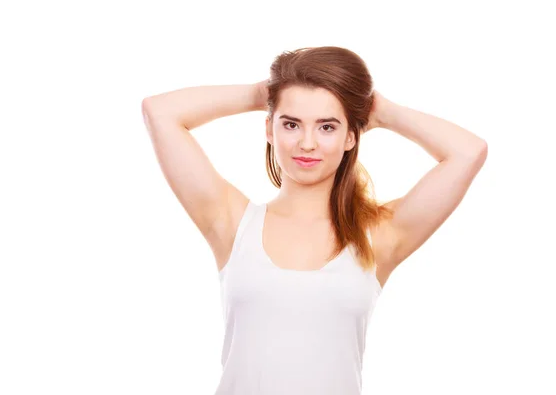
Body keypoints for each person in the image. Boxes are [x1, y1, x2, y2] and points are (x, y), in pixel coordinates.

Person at [141, 46, 487, 395]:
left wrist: (383, 113)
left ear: (351, 136)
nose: (307, 143)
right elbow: (159, 112)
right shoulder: (232, 222)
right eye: (291, 124)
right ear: (269, 129)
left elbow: (468, 152)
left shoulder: (378, 236)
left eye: (327, 127)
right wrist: (261, 93)